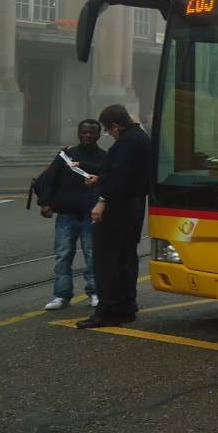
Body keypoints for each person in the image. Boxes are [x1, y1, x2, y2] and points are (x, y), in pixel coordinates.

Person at [77, 104, 150, 329]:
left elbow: (121, 175)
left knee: (107, 260)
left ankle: (107, 310)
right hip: (133, 206)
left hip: (118, 208)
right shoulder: (141, 138)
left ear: (116, 126)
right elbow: (125, 174)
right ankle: (126, 307)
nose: (110, 135)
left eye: (109, 131)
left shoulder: (127, 142)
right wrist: (101, 179)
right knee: (125, 258)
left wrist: (102, 200)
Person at [38, 119, 106, 311]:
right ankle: (62, 295)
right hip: (66, 215)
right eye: (84, 132)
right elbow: (51, 178)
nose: (88, 135)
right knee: (62, 256)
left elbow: (108, 176)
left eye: (92, 132)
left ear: (98, 135)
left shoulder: (103, 157)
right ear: (79, 133)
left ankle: (95, 293)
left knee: (92, 257)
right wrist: (45, 202)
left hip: (89, 216)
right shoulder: (66, 154)